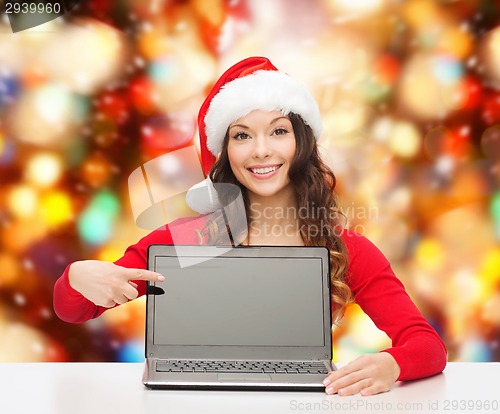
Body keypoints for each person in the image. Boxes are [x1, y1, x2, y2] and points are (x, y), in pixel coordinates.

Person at [53, 56, 447, 396]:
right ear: (225, 152)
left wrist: (392, 365)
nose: (261, 150)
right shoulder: (183, 240)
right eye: (242, 135)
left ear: (301, 144)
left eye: (278, 131)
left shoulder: (345, 248)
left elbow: (427, 345)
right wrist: (76, 277)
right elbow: (73, 310)